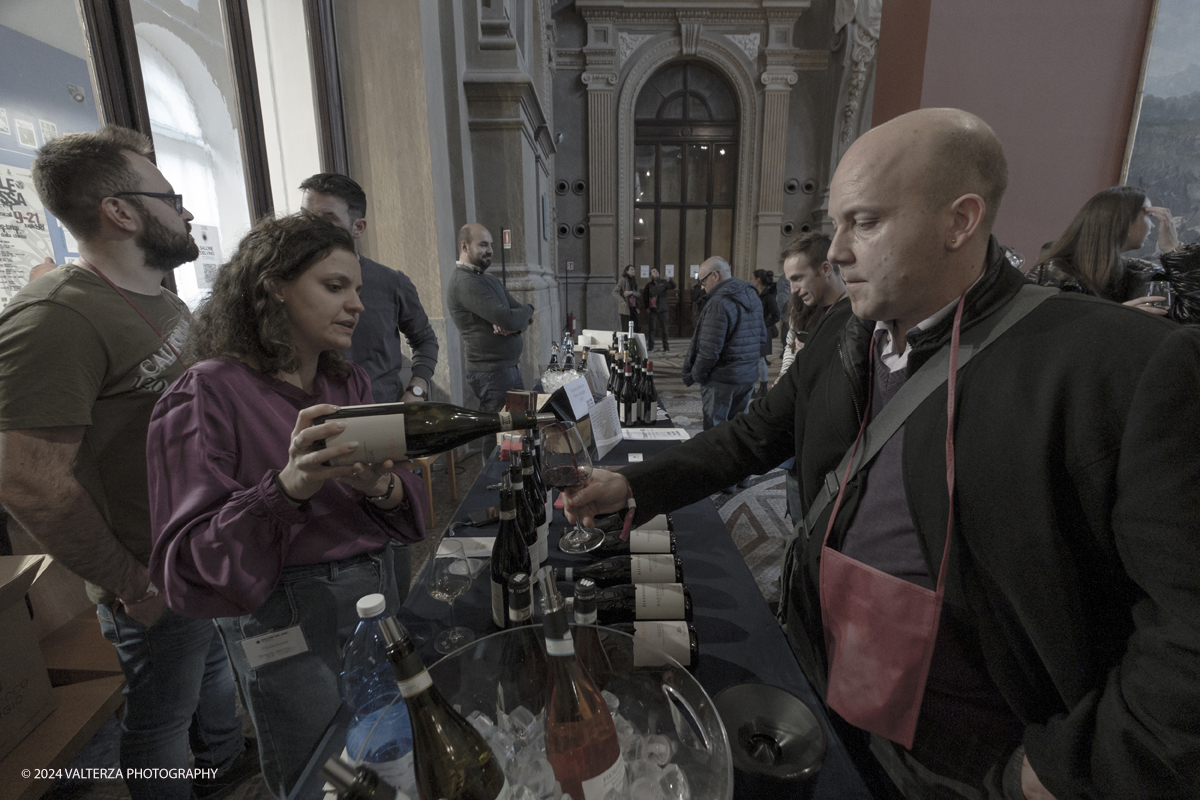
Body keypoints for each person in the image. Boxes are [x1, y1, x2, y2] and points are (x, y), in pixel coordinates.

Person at [563, 108, 1200, 799]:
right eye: (836, 223)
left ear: (959, 221)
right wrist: (633, 486)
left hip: (977, 758)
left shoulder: (1119, 364)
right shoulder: (847, 327)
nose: (835, 251)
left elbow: (1186, 631)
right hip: (825, 689)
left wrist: (1063, 771)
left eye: (864, 223)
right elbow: (751, 438)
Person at [0, 126, 254, 800]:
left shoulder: (158, 295)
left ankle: (224, 764)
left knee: (212, 675)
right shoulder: (53, 318)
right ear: (120, 210)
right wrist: (133, 584)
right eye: (169, 195)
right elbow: (27, 478)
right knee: (162, 717)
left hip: (200, 553)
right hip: (149, 576)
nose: (186, 209)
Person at [147, 213, 427, 797]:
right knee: (322, 770)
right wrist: (287, 487)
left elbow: (400, 493)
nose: (356, 304)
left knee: (390, 759)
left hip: (375, 594)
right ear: (273, 285)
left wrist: (379, 487)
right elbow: (191, 560)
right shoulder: (208, 390)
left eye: (356, 288)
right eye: (333, 287)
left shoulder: (342, 381)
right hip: (286, 618)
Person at [299, 173, 439, 404]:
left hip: (382, 416)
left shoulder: (391, 282)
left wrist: (417, 388)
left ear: (358, 227)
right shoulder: (291, 284)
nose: (311, 229)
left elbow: (425, 339)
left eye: (327, 219)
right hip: (314, 418)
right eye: (305, 218)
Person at [1027, 185, 1200, 323]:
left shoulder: (1139, 272)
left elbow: (1191, 318)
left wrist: (1173, 249)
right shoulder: (1053, 272)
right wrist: (1116, 317)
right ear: (1123, 221)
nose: (1153, 226)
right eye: (1148, 216)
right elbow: (1041, 335)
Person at [446, 223, 534, 411]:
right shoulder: (465, 283)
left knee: (516, 432)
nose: (490, 251)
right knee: (497, 433)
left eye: (491, 245)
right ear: (464, 246)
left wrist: (525, 313)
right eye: (483, 245)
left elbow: (518, 316)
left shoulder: (489, 279)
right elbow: (509, 318)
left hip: (507, 368)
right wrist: (518, 317)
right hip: (491, 373)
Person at [683, 256, 765, 434]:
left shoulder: (718, 302)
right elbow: (762, 337)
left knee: (715, 434)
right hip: (747, 377)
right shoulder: (752, 295)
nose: (702, 287)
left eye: (703, 281)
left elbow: (708, 352)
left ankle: (715, 462)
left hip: (722, 380)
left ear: (715, 275)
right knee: (736, 431)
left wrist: (696, 375)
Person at [774, 232, 849, 383]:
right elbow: (791, 346)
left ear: (826, 269)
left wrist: (812, 354)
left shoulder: (856, 312)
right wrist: (784, 376)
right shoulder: (802, 304)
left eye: (798, 278)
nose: (793, 289)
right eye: (789, 281)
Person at [751, 269, 780, 397]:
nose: (751, 280)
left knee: (760, 360)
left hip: (763, 332)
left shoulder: (768, 295)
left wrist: (763, 324)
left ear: (758, 280)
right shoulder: (757, 293)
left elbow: (776, 315)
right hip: (754, 331)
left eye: (753, 278)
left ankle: (763, 389)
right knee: (754, 360)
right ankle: (751, 389)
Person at [641, 267, 676, 351]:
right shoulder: (649, 285)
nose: (655, 272)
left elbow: (673, 286)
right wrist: (646, 307)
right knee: (652, 329)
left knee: (665, 329)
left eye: (656, 271)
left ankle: (666, 347)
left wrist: (669, 280)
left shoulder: (663, 282)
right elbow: (645, 297)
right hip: (653, 310)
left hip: (663, 309)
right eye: (653, 271)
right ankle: (651, 347)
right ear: (650, 275)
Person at [613, 264, 641, 334]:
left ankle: (634, 343)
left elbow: (638, 293)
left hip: (634, 307)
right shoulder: (622, 280)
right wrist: (621, 300)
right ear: (626, 271)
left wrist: (631, 292)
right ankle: (626, 344)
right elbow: (614, 292)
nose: (633, 271)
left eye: (634, 269)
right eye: (631, 269)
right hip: (625, 308)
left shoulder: (635, 281)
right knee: (626, 328)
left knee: (637, 327)